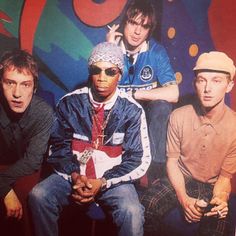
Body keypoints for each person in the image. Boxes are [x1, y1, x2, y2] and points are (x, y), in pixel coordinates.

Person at [29, 42, 151, 236]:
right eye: (96, 70)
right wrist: (75, 176)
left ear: (120, 74)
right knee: (39, 195)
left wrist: (103, 182)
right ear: (90, 73)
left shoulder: (132, 110)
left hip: (112, 180)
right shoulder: (70, 103)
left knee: (132, 211)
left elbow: (138, 158)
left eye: (110, 72)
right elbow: (58, 148)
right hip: (74, 177)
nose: (102, 78)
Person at [140, 51, 236, 236]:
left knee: (217, 227)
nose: (207, 88)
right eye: (202, 80)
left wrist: (220, 199)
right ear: (195, 83)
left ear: (229, 85)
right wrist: (184, 199)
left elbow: (225, 179)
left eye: (216, 81)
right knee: (147, 204)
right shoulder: (179, 116)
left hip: (211, 185)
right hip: (180, 177)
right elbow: (172, 162)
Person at [106, 0, 179, 180]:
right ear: (124, 23)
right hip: (119, 114)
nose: (138, 32)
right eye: (133, 23)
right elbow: (101, 91)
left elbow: (173, 93)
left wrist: (134, 94)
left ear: (149, 30)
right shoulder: (111, 48)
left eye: (144, 26)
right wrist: (109, 51)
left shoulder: (156, 51)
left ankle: (155, 172)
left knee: (162, 106)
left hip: (146, 116)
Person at [0, 49, 53, 235]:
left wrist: (2, 184)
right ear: (1, 83)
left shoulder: (43, 113)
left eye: (25, 85)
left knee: (27, 197)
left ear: (34, 88)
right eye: (10, 83)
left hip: (26, 167)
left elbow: (33, 161)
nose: (17, 93)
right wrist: (4, 189)